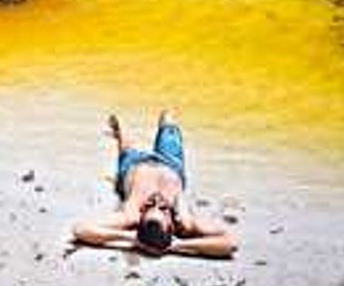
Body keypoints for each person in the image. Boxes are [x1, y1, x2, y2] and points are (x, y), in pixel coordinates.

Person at [71, 110, 237, 259]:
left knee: (125, 137)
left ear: (141, 218)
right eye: (164, 209)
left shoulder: (131, 215)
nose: (157, 201)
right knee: (167, 118)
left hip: (133, 164)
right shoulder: (185, 222)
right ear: (171, 226)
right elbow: (229, 244)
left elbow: (81, 229)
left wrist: (131, 238)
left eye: (149, 206)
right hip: (170, 163)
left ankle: (119, 130)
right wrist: (177, 246)